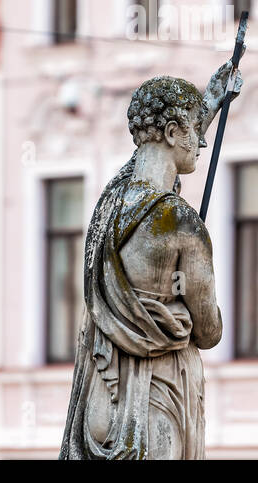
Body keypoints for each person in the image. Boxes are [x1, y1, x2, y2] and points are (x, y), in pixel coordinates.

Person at [59, 61, 241, 459]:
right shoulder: (181, 223)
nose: (202, 142)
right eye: (194, 131)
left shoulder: (108, 207)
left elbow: (147, 165)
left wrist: (207, 106)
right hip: (157, 402)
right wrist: (191, 315)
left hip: (101, 401)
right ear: (174, 132)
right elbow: (209, 332)